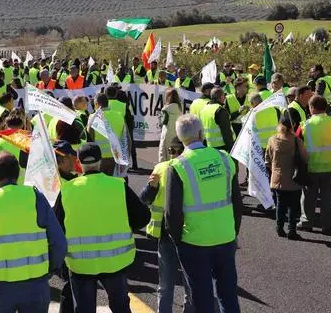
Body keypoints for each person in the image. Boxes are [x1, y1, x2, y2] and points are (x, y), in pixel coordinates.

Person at [0, 152, 67, 312]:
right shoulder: (35, 197)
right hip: (35, 285)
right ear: (17, 175)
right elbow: (58, 243)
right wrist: (49, 270)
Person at [53, 143, 150, 313]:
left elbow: (56, 228)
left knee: (83, 309)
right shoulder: (118, 185)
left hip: (80, 263)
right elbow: (143, 217)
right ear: (100, 161)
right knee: (121, 307)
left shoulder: (67, 190)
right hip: (115, 260)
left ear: (79, 162)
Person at [164, 114, 242, 312]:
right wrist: (233, 231)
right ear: (201, 133)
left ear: (180, 138)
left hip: (194, 241)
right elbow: (237, 202)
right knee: (228, 296)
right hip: (225, 237)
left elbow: (172, 213)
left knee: (202, 299)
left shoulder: (178, 166)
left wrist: (178, 240)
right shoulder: (225, 158)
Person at [140, 137, 192, 313]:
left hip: (166, 233)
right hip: (188, 232)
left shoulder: (161, 168)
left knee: (166, 284)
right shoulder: (190, 168)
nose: (173, 155)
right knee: (189, 282)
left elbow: (144, 200)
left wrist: (152, 186)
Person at [296, 96, 331, 236]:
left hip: (312, 165)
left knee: (308, 196)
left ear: (311, 108)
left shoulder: (305, 124)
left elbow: (298, 143)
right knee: (327, 197)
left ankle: (306, 222)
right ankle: (327, 225)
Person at [265, 115, 305, 239]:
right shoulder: (296, 140)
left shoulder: (272, 140)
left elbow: (267, 159)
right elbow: (305, 157)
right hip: (294, 178)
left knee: (280, 205)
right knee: (293, 206)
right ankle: (292, 230)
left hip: (278, 178)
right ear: (292, 126)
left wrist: (274, 169)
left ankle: (279, 227)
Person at [158, 88, 181, 163]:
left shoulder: (165, 109)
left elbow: (162, 122)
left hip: (167, 133)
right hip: (176, 134)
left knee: (163, 152)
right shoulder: (179, 108)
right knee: (175, 154)